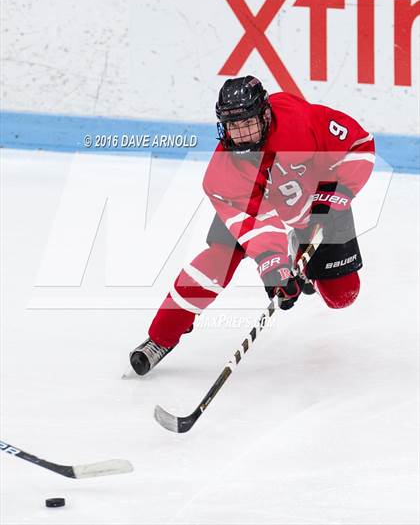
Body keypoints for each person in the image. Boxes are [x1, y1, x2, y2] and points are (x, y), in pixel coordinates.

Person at [129, 76, 375, 376]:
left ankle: (303, 256)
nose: (241, 134)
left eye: (248, 123)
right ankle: (160, 338)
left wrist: (338, 192)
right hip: (258, 205)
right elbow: (258, 226)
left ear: (265, 114)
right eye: (233, 126)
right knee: (217, 260)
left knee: (343, 296)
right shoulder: (222, 174)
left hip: (316, 204)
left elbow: (360, 144)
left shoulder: (300, 121)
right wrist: (274, 268)